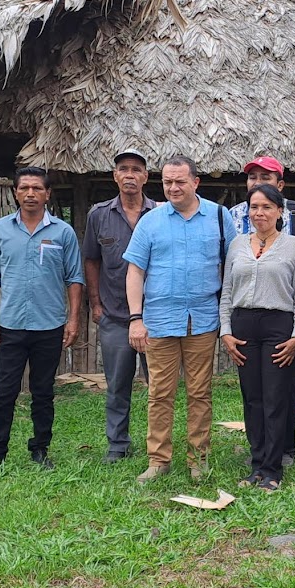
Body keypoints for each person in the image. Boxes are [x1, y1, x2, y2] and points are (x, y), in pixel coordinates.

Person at [123, 155, 235, 484]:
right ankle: (159, 461)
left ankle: (198, 458)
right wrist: (136, 318)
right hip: (159, 320)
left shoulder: (218, 216)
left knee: (200, 393)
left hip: (202, 319)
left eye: (180, 181)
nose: (173, 187)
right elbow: (135, 271)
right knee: (160, 393)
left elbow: (232, 267)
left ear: (195, 182)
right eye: (168, 182)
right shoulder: (151, 221)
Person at [0, 166, 84, 476]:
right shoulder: (0, 230)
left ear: (47, 194)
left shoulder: (62, 233)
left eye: (37, 188)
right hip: (10, 325)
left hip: (49, 326)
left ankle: (40, 448)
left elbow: (74, 278)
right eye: (24, 188)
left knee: (43, 391)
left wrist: (73, 320)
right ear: (15, 192)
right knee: (5, 392)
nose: (30, 193)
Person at [229, 155, 295, 467]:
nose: (258, 183)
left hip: (282, 313)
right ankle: (262, 450)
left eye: (266, 178)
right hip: (246, 314)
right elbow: (229, 266)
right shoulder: (233, 217)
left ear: (280, 186)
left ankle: (285, 448)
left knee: (283, 387)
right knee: (253, 390)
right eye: (253, 177)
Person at [220, 184, 295, 491]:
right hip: (243, 325)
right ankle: (256, 463)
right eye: (254, 207)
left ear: (279, 211)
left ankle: (273, 468)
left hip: (278, 325)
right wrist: (226, 331)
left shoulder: (294, 246)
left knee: (275, 396)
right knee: (252, 397)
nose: (260, 213)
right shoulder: (238, 245)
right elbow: (227, 291)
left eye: (267, 207)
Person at [83, 149, 155, 463]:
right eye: (123, 169)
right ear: (115, 176)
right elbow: (91, 260)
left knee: (159, 386)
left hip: (154, 316)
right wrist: (95, 303)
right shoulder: (98, 215)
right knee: (117, 385)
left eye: (136, 169)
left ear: (145, 177)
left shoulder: (160, 213)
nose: (129, 175)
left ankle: (158, 444)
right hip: (113, 315)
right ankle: (118, 444)